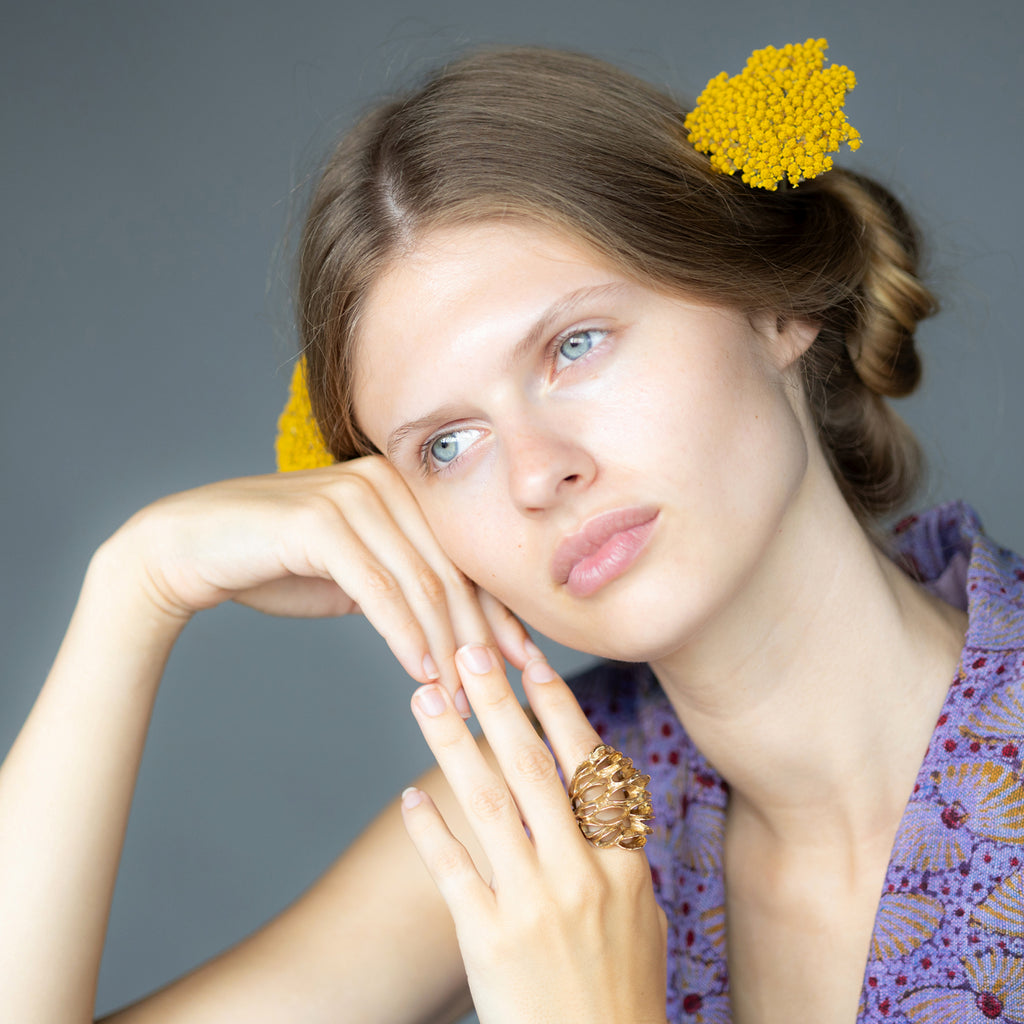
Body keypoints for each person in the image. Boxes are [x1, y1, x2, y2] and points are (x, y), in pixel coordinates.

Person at [1, 40, 1020, 1024]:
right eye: (447, 446)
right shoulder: (546, 819)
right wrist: (133, 590)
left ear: (774, 304)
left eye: (576, 344)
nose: (538, 473)